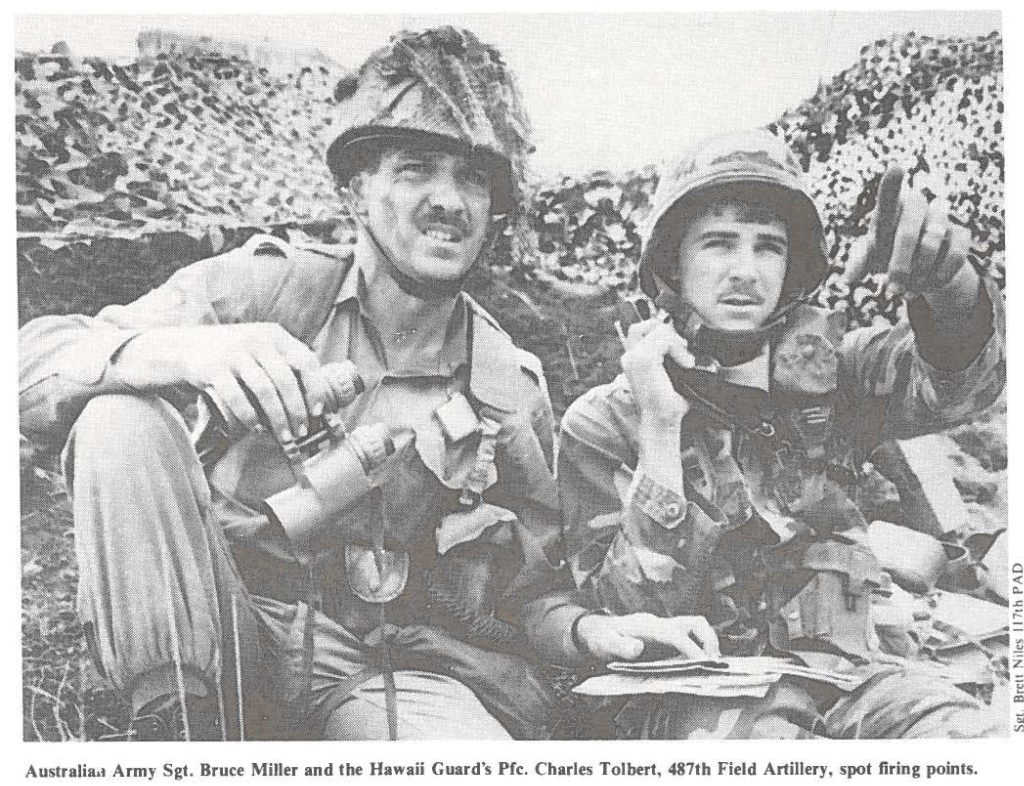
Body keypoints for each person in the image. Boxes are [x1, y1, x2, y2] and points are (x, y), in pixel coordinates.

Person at [19, 27, 585, 741]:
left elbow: (536, 592)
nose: (450, 199)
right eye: (416, 168)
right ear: (355, 190)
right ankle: (177, 732)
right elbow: (29, 364)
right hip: (225, 628)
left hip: (390, 674)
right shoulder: (263, 292)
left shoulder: (512, 386)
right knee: (120, 418)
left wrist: (589, 631)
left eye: (474, 176)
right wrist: (183, 353)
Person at [558, 129, 1005, 738]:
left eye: (768, 247)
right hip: (701, 699)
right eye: (718, 243)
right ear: (671, 264)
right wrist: (662, 429)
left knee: (971, 737)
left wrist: (951, 287)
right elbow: (627, 620)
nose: (745, 270)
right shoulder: (603, 422)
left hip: (857, 679)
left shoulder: (838, 379)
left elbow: (958, 384)